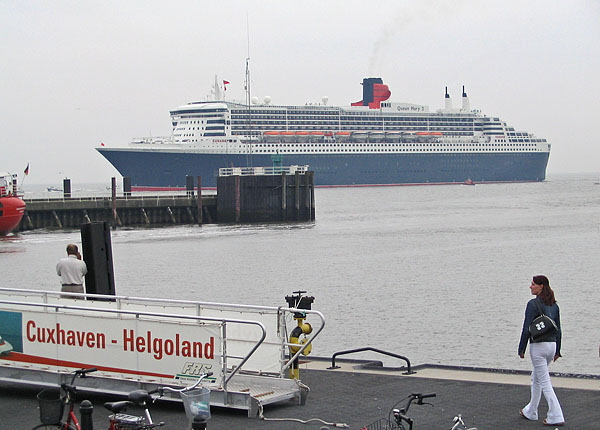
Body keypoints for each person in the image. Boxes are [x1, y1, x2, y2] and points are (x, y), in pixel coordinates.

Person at [518, 275, 565, 426]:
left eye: (533, 284)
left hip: (538, 346)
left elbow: (526, 329)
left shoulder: (532, 304)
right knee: (536, 377)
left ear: (541, 286)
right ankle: (531, 411)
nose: (530, 287)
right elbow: (558, 330)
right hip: (551, 346)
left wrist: (521, 348)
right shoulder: (554, 305)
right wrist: (558, 350)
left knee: (545, 382)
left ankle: (556, 415)